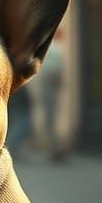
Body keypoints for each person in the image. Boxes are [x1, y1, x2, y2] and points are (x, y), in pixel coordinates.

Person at [40, 28, 66, 160]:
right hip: (50, 87)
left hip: (48, 87)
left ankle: (55, 148)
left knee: (50, 119)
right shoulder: (55, 49)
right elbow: (52, 71)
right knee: (51, 119)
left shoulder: (50, 49)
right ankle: (55, 149)